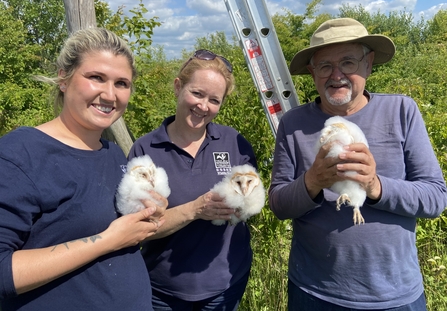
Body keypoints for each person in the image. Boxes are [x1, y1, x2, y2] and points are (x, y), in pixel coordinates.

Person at [268, 17, 447, 311]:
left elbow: (435, 198)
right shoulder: (293, 124)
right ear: (312, 72)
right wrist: (313, 182)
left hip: (395, 294)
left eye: (348, 62)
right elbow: (278, 205)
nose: (336, 75)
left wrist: (374, 186)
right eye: (325, 66)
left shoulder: (402, 110)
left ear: (369, 63)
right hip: (315, 292)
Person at [0, 28, 167, 311]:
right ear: (64, 78)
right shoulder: (20, 154)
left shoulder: (114, 154)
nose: (110, 94)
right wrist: (108, 240)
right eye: (96, 78)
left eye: (122, 83)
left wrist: (147, 215)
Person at [128, 49, 258, 310]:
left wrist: (243, 204)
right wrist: (196, 209)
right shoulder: (146, 151)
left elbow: (254, 199)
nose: (204, 106)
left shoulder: (233, 142)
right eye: (197, 93)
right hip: (164, 292)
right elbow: (137, 231)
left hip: (226, 286)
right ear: (178, 87)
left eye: (214, 100)